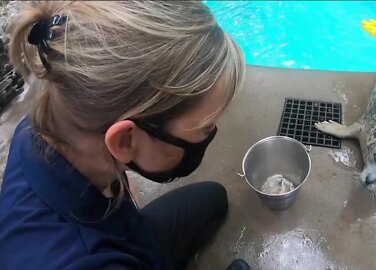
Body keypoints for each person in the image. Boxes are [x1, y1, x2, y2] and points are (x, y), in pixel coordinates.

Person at [0, 1, 250, 269]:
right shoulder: (85, 260)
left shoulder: (52, 119)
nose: (211, 133)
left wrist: (115, 182)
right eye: (205, 126)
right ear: (125, 140)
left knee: (213, 198)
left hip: (129, 233)